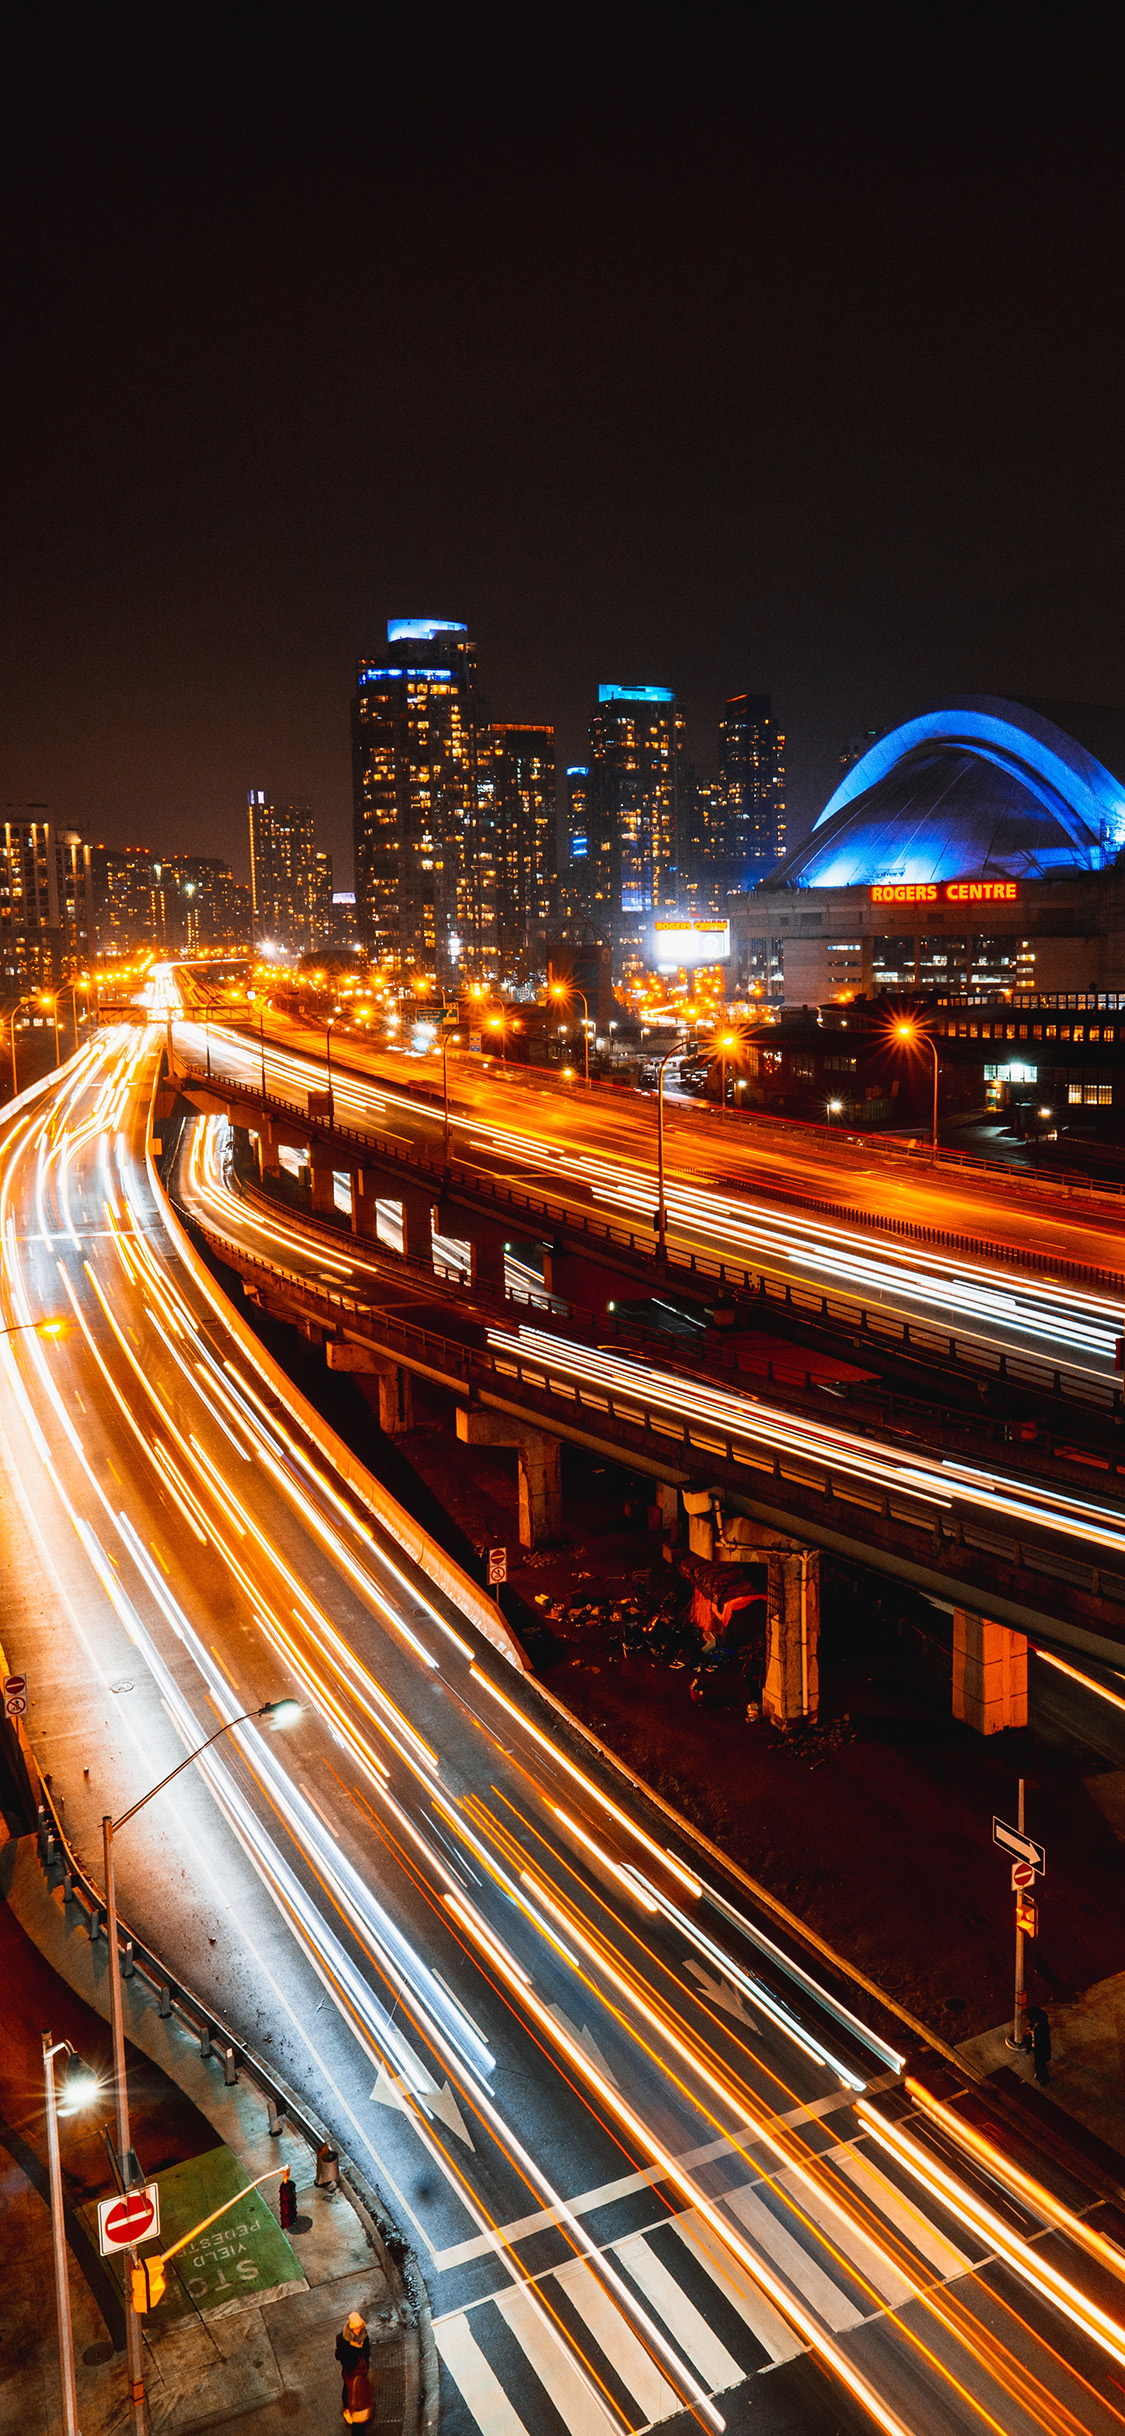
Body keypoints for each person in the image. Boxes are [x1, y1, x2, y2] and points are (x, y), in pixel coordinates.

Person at [335, 2311, 373, 2425]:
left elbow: (367, 2351)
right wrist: (352, 2349)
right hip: (350, 2369)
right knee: (348, 2389)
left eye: (360, 2327)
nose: (358, 2330)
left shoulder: (364, 2336)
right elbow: (338, 2355)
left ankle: (362, 2409)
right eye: (356, 2328)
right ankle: (347, 2410)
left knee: (361, 2387)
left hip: (362, 2367)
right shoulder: (342, 2339)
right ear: (351, 2329)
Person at [1026, 2005, 1052, 2086]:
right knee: (1037, 2062)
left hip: (1041, 2049)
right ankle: (1038, 2072)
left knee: (1041, 2064)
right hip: (1035, 2047)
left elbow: (1041, 2039)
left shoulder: (1043, 2027)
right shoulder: (1034, 2024)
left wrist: (1032, 2032)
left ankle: (1045, 2078)